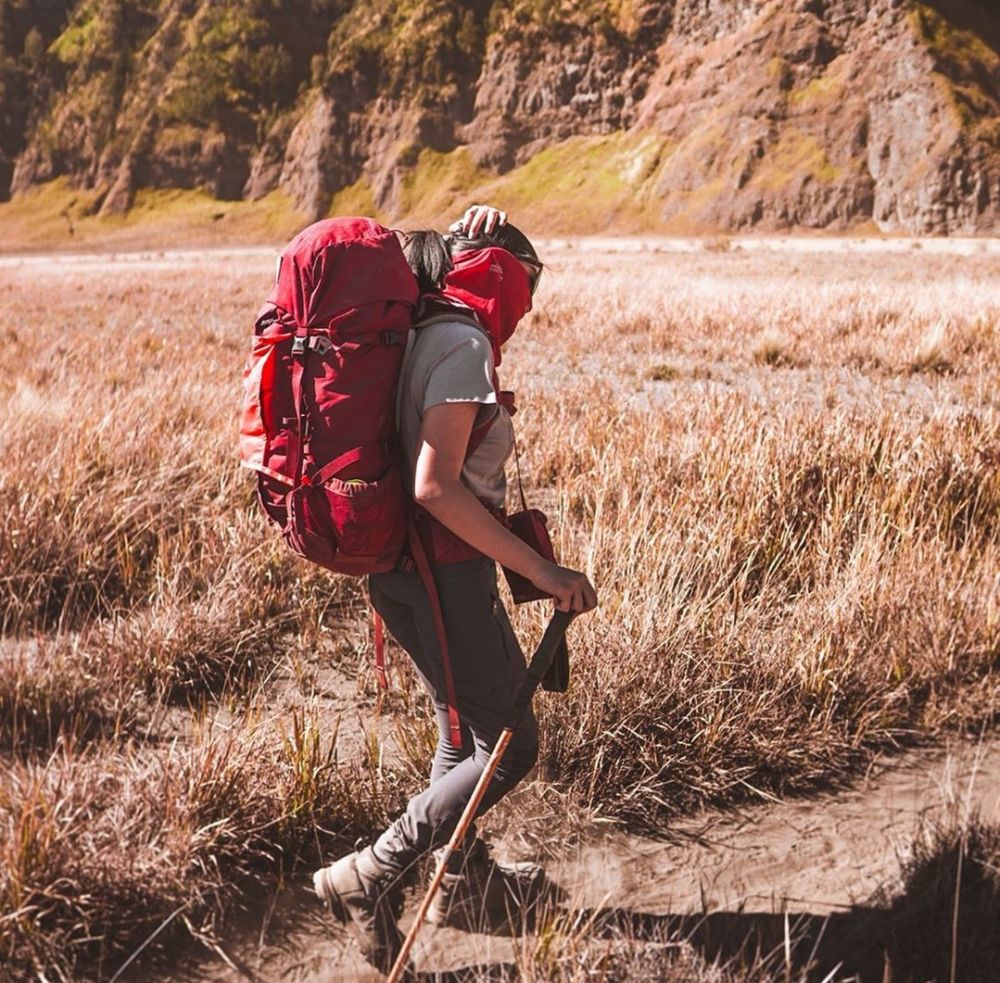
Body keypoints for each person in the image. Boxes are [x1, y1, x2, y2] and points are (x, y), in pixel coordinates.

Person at [312, 205, 598, 972]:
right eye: (526, 286)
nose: (526, 309)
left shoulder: (412, 329)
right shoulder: (462, 343)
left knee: (460, 729)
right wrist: (543, 572)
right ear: (502, 278)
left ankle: (461, 880)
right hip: (444, 573)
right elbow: (437, 487)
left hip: (395, 571)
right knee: (510, 745)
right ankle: (370, 872)